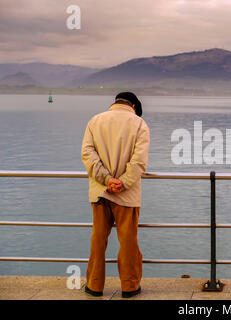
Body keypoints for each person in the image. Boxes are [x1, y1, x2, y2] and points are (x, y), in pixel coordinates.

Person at [81, 92, 150, 298]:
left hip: (100, 192)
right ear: (134, 107)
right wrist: (123, 182)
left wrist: (106, 179)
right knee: (128, 241)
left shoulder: (95, 121)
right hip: (126, 196)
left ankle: (94, 285)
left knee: (98, 240)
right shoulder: (139, 124)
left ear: (115, 103)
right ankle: (129, 287)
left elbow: (87, 153)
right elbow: (139, 161)